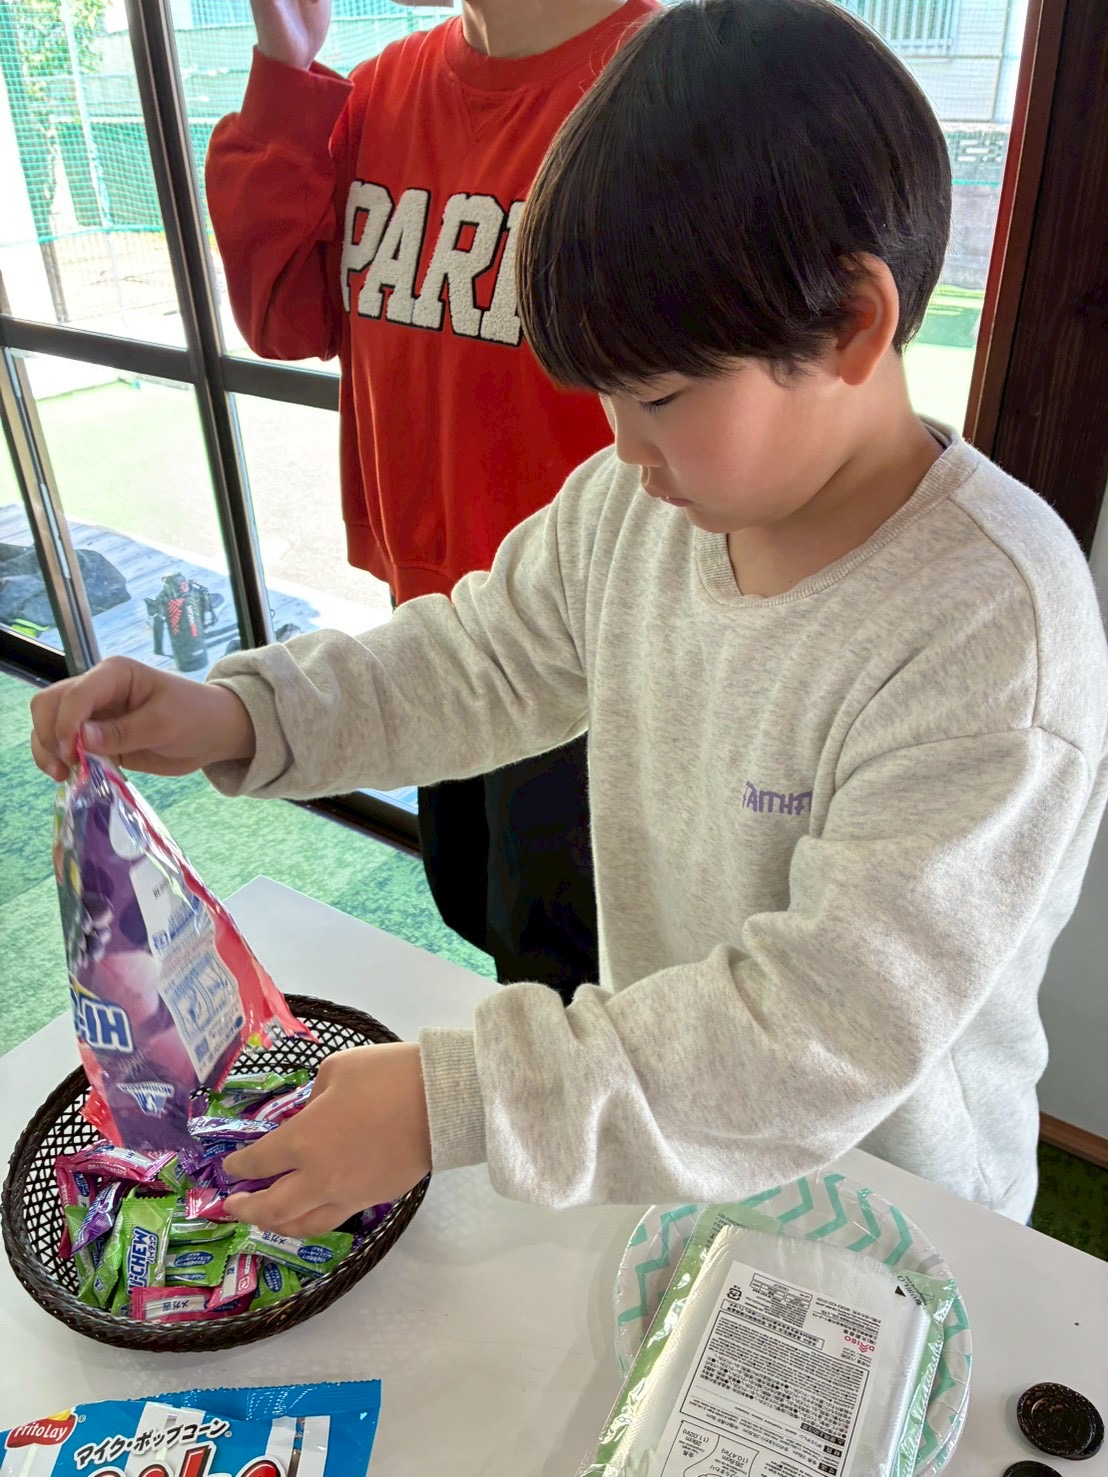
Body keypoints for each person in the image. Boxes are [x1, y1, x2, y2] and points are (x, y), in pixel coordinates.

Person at [33, 0, 1107, 1234]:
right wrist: (237, 714)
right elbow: (476, 660)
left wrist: (448, 1105)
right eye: (605, 397)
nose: (623, 448)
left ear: (853, 325)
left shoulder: (990, 631)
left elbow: (818, 1028)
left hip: (898, 1212)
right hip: (674, 1143)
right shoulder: (634, 507)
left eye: (659, 395)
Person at [205, 0, 656, 1001]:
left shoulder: (662, 83)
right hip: (430, 612)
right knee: (467, 893)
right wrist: (284, 67)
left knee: (569, 954)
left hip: (584, 640)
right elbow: (284, 316)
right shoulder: (385, 87)